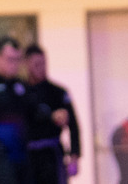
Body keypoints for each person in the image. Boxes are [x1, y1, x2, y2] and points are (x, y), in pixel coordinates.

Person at [0, 36, 67, 183]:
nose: (14, 65)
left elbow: (35, 110)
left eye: (17, 60)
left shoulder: (19, 86)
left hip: (24, 157)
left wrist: (53, 115)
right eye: (10, 59)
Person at [24, 45, 80, 183]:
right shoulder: (20, 92)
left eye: (43, 63)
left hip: (51, 153)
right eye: (37, 64)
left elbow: (74, 126)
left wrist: (74, 157)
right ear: (27, 64)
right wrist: (51, 117)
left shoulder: (58, 92)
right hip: (27, 156)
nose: (41, 68)